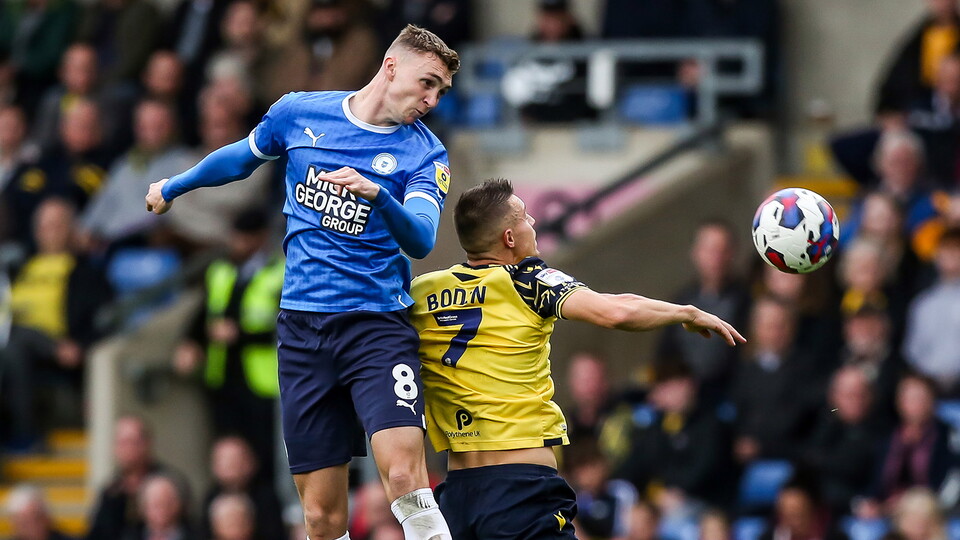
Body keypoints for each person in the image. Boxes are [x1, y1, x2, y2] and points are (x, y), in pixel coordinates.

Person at [144, 24, 459, 540]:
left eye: (441, 92)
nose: (431, 99)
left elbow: (422, 238)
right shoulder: (299, 113)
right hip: (302, 336)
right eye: (427, 83)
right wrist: (175, 186)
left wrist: (378, 196)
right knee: (320, 516)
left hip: (376, 327)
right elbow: (243, 158)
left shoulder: (424, 154)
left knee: (404, 477)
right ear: (392, 65)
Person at [408, 179, 745, 539]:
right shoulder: (528, 279)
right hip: (519, 490)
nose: (533, 222)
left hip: (457, 493)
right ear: (509, 238)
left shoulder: (421, 290)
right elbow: (616, 311)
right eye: (524, 217)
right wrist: (686, 313)